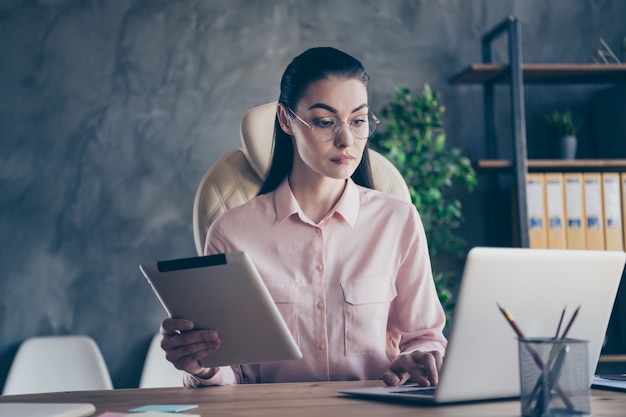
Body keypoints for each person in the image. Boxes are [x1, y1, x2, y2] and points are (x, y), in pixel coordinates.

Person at [160, 46, 447, 387]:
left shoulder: (397, 221)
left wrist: (420, 359)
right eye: (325, 122)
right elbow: (230, 372)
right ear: (285, 120)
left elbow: (425, 337)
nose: (346, 140)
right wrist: (202, 366)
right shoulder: (232, 231)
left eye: (357, 121)